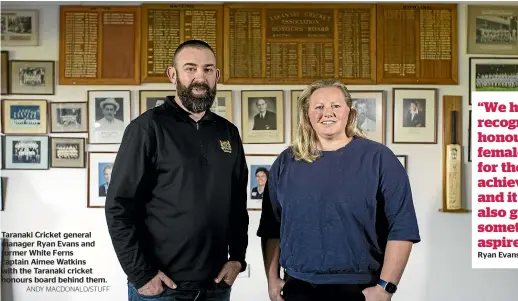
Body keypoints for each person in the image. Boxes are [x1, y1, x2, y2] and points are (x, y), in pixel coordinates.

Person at [105, 39, 249, 301]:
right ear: (173, 75)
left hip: (215, 286)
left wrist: (238, 258)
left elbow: (237, 204)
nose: (199, 77)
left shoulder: (228, 132)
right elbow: (118, 207)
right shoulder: (146, 129)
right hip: (161, 288)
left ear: (216, 76)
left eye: (207, 70)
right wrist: (141, 275)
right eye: (190, 68)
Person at [257, 79, 421, 301]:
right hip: (297, 287)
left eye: (335, 106)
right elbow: (271, 228)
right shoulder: (286, 162)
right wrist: (272, 280)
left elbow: (402, 228)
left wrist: (385, 288)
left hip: (358, 289)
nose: (328, 113)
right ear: (307, 115)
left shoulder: (379, 159)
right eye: (319, 107)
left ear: (349, 113)